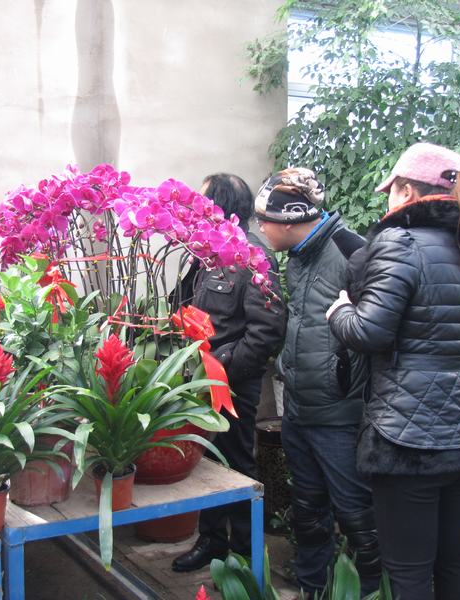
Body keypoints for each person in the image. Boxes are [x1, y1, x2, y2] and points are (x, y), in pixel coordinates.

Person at [326, 142, 460, 600]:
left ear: (405, 190)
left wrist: (339, 311)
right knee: (455, 560)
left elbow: (368, 332)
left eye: (391, 190)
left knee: (407, 572)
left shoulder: (400, 242)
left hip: (408, 437)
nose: (388, 199)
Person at [254, 168, 380, 597]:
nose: (261, 228)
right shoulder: (298, 257)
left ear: (289, 220)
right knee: (307, 512)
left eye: (265, 220)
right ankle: (314, 588)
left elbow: (380, 332)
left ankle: (370, 590)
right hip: (299, 410)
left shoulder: (353, 252)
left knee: (357, 516)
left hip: (340, 416)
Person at [170, 173, 286, 572]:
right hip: (199, 378)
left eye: (202, 201)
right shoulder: (204, 252)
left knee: (235, 463)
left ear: (219, 206)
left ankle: (245, 553)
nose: (195, 208)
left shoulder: (251, 258)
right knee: (205, 460)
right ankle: (212, 541)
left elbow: (266, 330)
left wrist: (224, 369)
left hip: (232, 382)